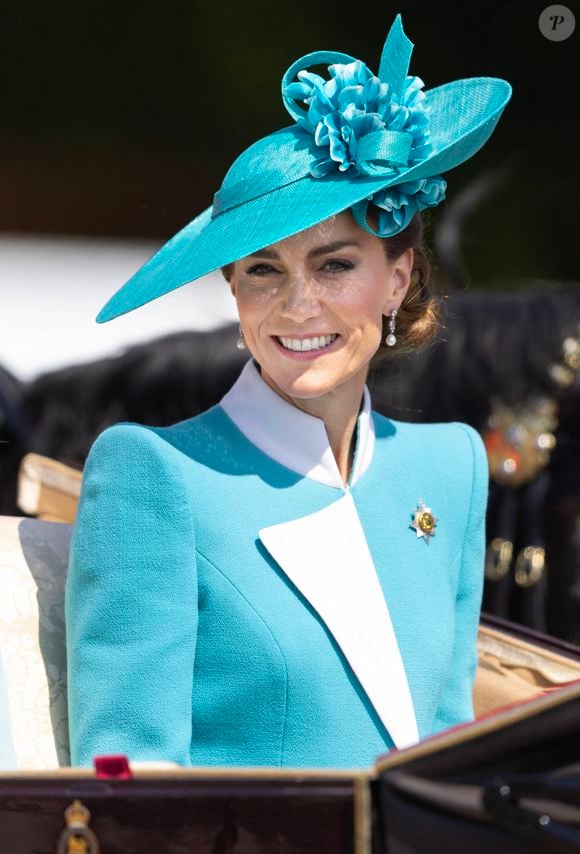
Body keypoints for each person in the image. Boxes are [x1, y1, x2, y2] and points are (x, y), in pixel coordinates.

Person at [65, 15, 512, 768]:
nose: (297, 305)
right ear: (233, 289)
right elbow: (125, 799)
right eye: (264, 270)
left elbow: (446, 759)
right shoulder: (153, 476)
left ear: (396, 279)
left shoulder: (453, 469)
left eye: (335, 265)